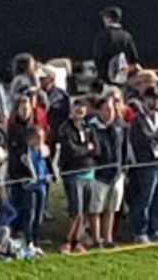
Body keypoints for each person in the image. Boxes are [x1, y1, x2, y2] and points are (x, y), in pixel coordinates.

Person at [127, 87, 158, 244]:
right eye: (151, 99)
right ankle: (140, 231)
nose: (154, 103)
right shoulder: (138, 119)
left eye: (157, 99)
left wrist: (157, 137)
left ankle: (155, 228)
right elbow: (143, 139)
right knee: (145, 198)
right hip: (147, 163)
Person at [88, 94, 131, 248]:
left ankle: (108, 238)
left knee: (111, 208)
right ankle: (96, 238)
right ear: (99, 111)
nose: (109, 113)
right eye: (106, 109)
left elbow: (125, 149)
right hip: (100, 175)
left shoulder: (121, 127)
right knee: (96, 208)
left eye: (111, 109)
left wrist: (125, 168)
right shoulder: (92, 128)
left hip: (117, 174)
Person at [57, 98, 98, 254]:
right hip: (72, 173)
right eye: (76, 107)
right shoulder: (65, 128)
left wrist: (86, 150)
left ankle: (77, 240)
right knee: (76, 210)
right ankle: (67, 241)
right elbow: (71, 150)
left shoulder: (89, 127)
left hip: (89, 172)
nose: (79, 110)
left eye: (82, 107)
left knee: (85, 210)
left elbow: (96, 148)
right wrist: (86, 149)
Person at [93, 6, 140, 86]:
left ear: (108, 19)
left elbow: (97, 57)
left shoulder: (101, 36)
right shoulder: (126, 36)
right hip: (123, 79)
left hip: (105, 81)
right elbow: (133, 58)